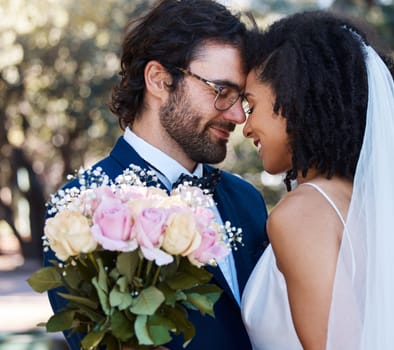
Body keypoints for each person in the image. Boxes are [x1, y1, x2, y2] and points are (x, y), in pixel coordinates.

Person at [43, 1, 268, 349]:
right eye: (221, 92)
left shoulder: (248, 200)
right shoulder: (79, 213)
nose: (238, 116)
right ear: (159, 80)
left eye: (242, 99)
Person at [240, 10, 394, 350]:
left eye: (251, 105)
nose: (245, 127)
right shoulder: (367, 206)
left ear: (293, 103)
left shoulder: (301, 214)